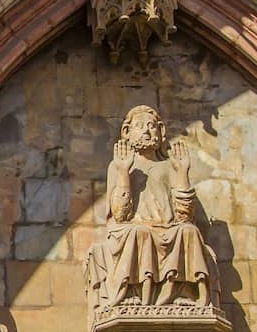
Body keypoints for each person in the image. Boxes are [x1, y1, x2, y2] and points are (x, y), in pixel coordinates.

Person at [85, 104, 218, 313]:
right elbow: (120, 215)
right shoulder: (119, 167)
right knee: (140, 232)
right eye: (140, 126)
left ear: (161, 130)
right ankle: (138, 295)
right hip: (135, 229)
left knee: (189, 231)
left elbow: (185, 214)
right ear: (127, 133)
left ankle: (184, 294)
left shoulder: (169, 166)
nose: (147, 131)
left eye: (151, 126)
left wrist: (182, 172)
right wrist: (122, 173)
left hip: (169, 228)